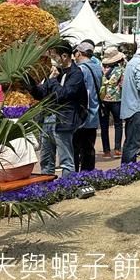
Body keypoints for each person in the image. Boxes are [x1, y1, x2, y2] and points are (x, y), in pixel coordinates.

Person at [30, 40, 88, 178]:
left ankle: (67, 186)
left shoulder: (76, 74)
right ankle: (46, 188)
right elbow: (41, 93)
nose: (52, 59)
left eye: (54, 56)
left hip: (64, 120)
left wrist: (54, 80)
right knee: (46, 158)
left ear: (64, 56)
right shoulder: (55, 73)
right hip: (48, 120)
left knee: (66, 159)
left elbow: (64, 95)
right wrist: (28, 81)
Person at [73, 42, 102, 171]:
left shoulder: (81, 69)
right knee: (89, 148)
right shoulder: (97, 67)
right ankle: (88, 175)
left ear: (79, 53)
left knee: (75, 148)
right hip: (94, 113)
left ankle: (75, 178)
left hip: (81, 115)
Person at [99, 46, 125, 158]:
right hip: (116, 99)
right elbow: (122, 85)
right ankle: (118, 148)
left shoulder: (101, 69)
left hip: (103, 98)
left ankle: (106, 151)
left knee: (104, 125)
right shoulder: (121, 70)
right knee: (118, 124)